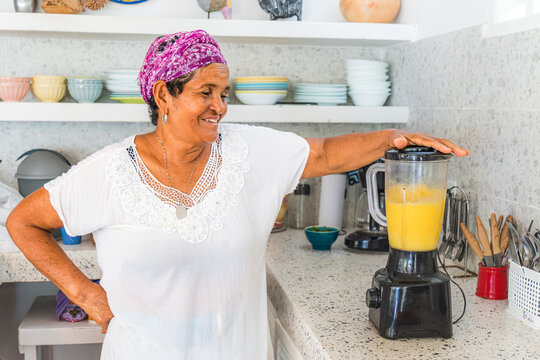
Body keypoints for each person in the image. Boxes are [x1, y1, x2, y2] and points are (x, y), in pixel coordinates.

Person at [6, 30, 469, 359]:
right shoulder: (109, 171)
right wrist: (85, 294)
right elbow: (22, 221)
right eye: (205, 92)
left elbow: (326, 154)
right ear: (163, 96)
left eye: (224, 93)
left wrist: (393, 138)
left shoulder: (250, 150)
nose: (220, 107)